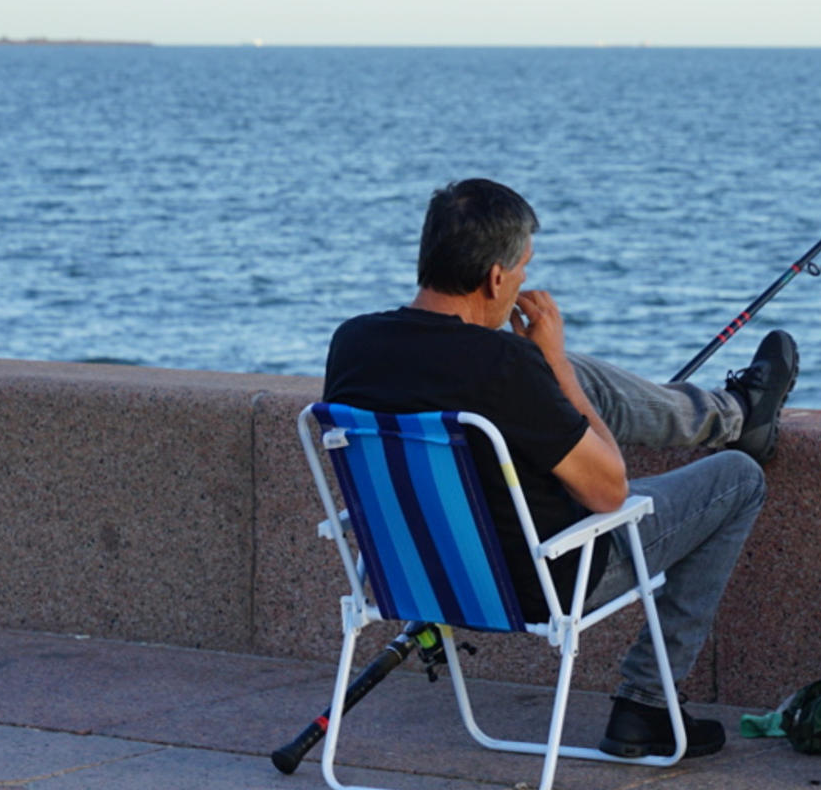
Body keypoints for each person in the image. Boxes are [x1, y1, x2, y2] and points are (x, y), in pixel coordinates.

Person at [322, 178, 796, 759]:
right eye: (523, 267)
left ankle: (731, 414)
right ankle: (647, 702)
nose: (524, 280)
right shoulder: (505, 366)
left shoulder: (352, 344)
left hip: (417, 579)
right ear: (496, 277)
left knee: (569, 374)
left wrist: (549, 365)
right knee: (738, 479)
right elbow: (609, 491)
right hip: (542, 582)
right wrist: (551, 366)